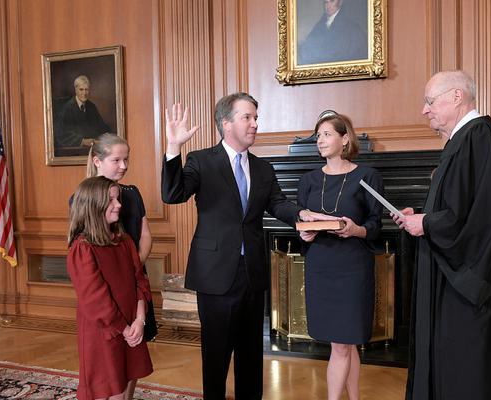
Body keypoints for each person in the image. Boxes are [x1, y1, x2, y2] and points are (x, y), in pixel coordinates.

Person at [160, 93, 333, 400]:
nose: (255, 123)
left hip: (251, 272)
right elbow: (173, 194)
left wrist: (301, 216)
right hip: (214, 274)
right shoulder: (201, 161)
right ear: (226, 123)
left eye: (256, 117)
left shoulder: (263, 168)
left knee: (251, 353)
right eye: (248, 117)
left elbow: (278, 204)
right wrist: (173, 147)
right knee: (216, 355)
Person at [392, 70, 491, 400]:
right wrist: (421, 216)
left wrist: (428, 225)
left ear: (456, 97)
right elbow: (458, 206)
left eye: (430, 101)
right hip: (453, 279)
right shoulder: (464, 140)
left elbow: (488, 219)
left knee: (468, 368)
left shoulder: (481, 138)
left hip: (470, 288)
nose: (424, 110)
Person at [297, 112, 383, 400]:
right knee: (345, 343)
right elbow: (303, 224)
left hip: (352, 267)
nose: (320, 140)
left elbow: (375, 226)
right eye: (318, 135)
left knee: (344, 344)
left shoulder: (367, 176)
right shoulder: (308, 180)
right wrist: (305, 233)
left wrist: (355, 229)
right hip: (320, 266)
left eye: (327, 134)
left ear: (345, 138)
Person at [67, 176, 153, 400]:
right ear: (93, 206)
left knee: (125, 384)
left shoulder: (124, 241)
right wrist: (123, 329)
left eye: (118, 199)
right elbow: (95, 298)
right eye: (111, 200)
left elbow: (139, 280)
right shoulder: (83, 248)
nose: (119, 205)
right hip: (103, 330)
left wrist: (139, 320)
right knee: (108, 387)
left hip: (131, 323)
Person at [85, 133, 158, 343]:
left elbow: (145, 234)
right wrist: (122, 275)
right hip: (108, 284)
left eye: (126, 159)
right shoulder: (84, 197)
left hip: (136, 279)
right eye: (116, 160)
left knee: (138, 345)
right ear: (97, 161)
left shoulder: (133, 193)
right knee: (114, 346)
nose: (124, 165)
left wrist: (135, 266)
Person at [298, 0, 368, 65]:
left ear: (340, 2)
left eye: (332, 1)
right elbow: (309, 46)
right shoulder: (320, 25)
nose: (328, 5)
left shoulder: (351, 27)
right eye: (326, 2)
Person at [56, 75, 111, 148]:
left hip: (92, 148)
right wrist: (83, 141)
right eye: (81, 89)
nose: (84, 93)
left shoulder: (92, 107)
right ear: (76, 90)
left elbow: (102, 127)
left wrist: (108, 136)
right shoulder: (67, 108)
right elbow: (61, 134)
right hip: (74, 151)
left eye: (86, 89)